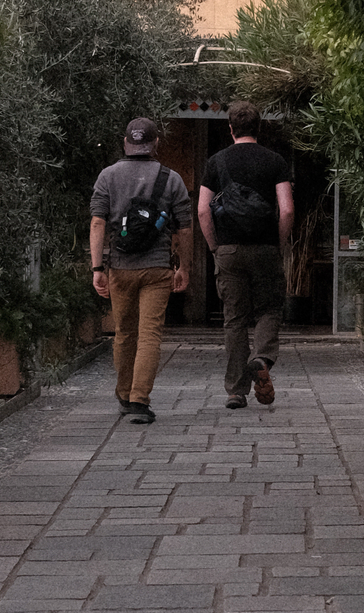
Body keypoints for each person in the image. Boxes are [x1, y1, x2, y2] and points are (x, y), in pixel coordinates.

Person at [89, 117, 191, 425]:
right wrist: (183, 266)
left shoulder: (108, 176)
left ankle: (123, 393)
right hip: (158, 267)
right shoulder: (171, 179)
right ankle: (139, 400)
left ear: (125, 143)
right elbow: (185, 228)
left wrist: (97, 267)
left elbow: (97, 222)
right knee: (149, 334)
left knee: (124, 333)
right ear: (156, 144)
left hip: (120, 267)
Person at [197, 100, 294, 409]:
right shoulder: (275, 160)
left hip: (228, 250)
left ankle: (237, 391)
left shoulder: (216, 161)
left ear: (230, 129)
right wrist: (276, 241)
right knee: (269, 308)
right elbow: (288, 208)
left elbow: (202, 210)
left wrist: (215, 246)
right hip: (265, 247)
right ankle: (262, 358)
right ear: (259, 127)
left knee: (234, 319)